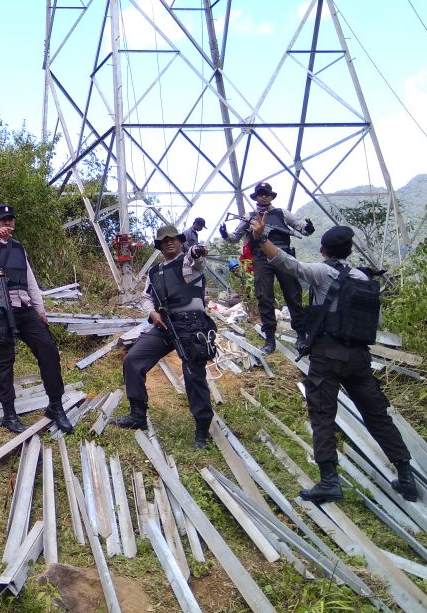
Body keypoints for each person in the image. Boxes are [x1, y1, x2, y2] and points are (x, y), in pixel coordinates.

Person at [248, 220, 418, 504]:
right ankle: (406, 477)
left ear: (323, 249)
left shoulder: (322, 272)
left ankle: (329, 482)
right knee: (377, 416)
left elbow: (286, 262)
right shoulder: (364, 279)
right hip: (360, 358)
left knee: (323, 415)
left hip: (328, 355)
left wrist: (260, 236)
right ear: (349, 251)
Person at [0, 204, 73, 433]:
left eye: (10, 219)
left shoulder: (18, 247)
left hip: (24, 308)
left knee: (48, 351)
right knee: (5, 361)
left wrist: (40, 309)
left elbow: (30, 280)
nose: (7, 223)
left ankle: (55, 405)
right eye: (2, 219)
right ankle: (9, 414)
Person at [114, 225, 217, 449]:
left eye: (173, 239)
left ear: (181, 241)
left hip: (191, 327)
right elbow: (145, 297)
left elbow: (196, 257)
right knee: (133, 360)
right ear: (159, 246)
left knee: (193, 375)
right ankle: (137, 415)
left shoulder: (191, 263)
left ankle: (202, 430)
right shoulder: (155, 271)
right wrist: (152, 313)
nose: (169, 242)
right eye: (164, 240)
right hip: (164, 325)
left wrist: (197, 251)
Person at [220, 181, 314, 354]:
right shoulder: (249, 217)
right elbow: (234, 237)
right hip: (261, 258)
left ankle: (301, 334)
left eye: (266, 194)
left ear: (271, 196)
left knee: (293, 294)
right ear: (256, 197)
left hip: (283, 255)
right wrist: (225, 234)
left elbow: (303, 229)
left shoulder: (282, 213)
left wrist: (308, 227)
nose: (263, 196)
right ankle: (270, 338)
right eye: (260, 194)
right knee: (264, 296)